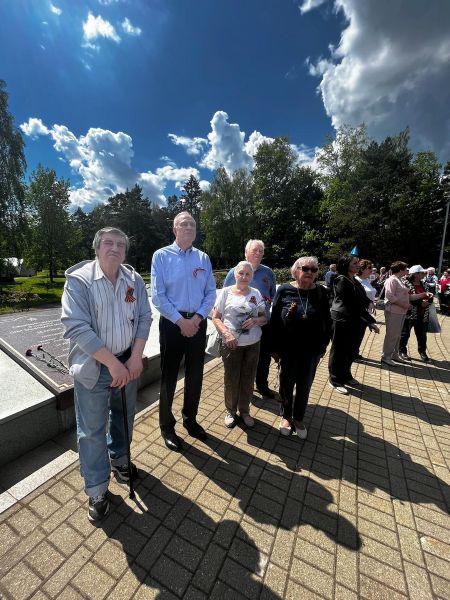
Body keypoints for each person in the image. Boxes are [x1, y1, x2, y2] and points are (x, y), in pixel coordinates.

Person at [61, 227, 152, 523]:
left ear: (125, 251)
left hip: (128, 361)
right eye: (108, 243)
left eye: (120, 244)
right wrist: (113, 364)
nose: (115, 248)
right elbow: (76, 326)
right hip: (95, 368)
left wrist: (135, 357)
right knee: (91, 431)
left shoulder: (133, 279)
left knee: (124, 416)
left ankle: (121, 460)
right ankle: (97, 489)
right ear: (97, 248)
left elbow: (144, 317)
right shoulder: (79, 281)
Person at [151, 211, 216, 452]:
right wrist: (181, 321)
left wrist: (197, 318)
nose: (189, 227)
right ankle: (166, 426)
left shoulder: (203, 257)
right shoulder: (161, 256)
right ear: (175, 229)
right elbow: (158, 296)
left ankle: (190, 419)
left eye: (192, 224)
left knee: (195, 374)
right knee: (168, 376)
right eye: (184, 224)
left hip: (198, 322)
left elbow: (211, 292)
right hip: (172, 323)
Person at [270, 256, 331, 438]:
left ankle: (298, 418)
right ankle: (286, 416)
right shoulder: (284, 290)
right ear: (295, 271)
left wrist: (323, 345)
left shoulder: (321, 292)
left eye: (314, 270)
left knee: (304, 386)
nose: (310, 273)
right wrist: (273, 347)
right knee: (286, 385)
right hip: (287, 349)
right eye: (306, 269)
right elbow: (275, 320)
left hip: (311, 350)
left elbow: (327, 321)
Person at [212, 261, 267, 428]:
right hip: (231, 344)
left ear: (251, 276)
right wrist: (226, 334)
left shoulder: (256, 293)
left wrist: (256, 320)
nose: (244, 276)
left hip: (253, 345)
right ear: (235, 275)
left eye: (247, 274)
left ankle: (244, 411)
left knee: (248, 379)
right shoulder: (226, 292)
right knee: (231, 379)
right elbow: (215, 317)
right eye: (241, 273)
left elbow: (264, 318)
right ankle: (230, 411)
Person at [223, 240, 276, 398]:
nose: (258, 253)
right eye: (254, 250)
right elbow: (226, 296)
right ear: (246, 253)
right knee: (243, 359)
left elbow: (272, 295)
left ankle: (262, 385)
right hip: (241, 325)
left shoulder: (268, 273)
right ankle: (246, 388)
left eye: (261, 251)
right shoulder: (235, 271)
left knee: (264, 357)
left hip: (263, 322)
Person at [328, 255, 379, 394]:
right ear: (346, 265)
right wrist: (370, 320)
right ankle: (335, 379)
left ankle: (346, 375)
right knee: (339, 350)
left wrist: (369, 302)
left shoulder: (354, 280)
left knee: (351, 350)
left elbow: (361, 298)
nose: (358, 265)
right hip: (342, 319)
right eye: (355, 263)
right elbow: (352, 303)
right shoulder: (341, 280)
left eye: (358, 263)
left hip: (355, 320)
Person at [399, 265, 433, 362]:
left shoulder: (424, 283)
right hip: (410, 313)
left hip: (423, 314)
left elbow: (429, 296)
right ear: (416, 274)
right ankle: (402, 351)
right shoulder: (406, 283)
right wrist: (420, 303)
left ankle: (422, 352)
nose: (424, 274)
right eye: (422, 273)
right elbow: (407, 297)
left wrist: (429, 300)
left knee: (422, 335)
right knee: (405, 334)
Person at [381, 261, 412, 366]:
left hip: (400, 311)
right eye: (406, 269)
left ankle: (394, 354)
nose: (407, 271)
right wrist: (404, 305)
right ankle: (386, 356)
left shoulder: (399, 280)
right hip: (393, 311)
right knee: (392, 335)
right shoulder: (392, 280)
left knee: (397, 335)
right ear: (400, 270)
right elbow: (389, 295)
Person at [354, 259, 377, 359]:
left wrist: (372, 303)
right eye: (369, 268)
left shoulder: (367, 280)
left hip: (367, 311)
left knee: (361, 333)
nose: (372, 270)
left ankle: (355, 352)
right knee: (357, 333)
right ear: (362, 269)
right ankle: (352, 353)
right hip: (359, 311)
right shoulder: (357, 280)